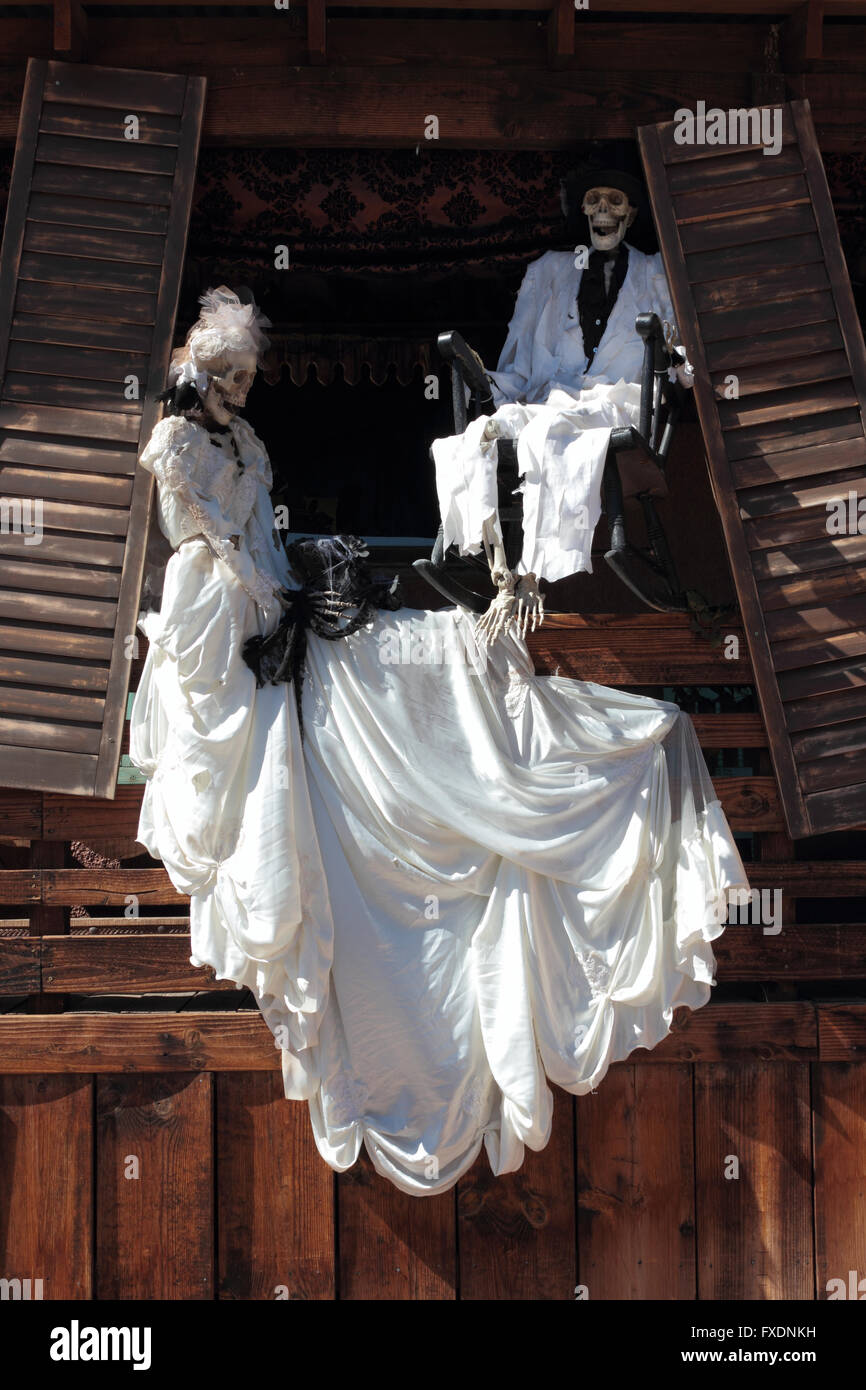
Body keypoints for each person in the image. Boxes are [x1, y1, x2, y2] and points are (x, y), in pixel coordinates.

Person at [131, 287, 747, 1198]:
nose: (243, 389)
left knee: (417, 659)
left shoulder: (249, 444)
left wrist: (293, 592)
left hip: (274, 603)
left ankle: (507, 758)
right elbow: (207, 544)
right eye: (232, 375)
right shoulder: (178, 444)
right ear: (203, 374)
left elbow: (262, 535)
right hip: (222, 617)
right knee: (325, 707)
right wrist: (262, 605)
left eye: (250, 375)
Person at [432, 168, 695, 640]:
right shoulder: (550, 270)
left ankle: (532, 572)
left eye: (614, 202)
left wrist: (677, 355)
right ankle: (501, 573)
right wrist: (482, 377)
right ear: (583, 211)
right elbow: (517, 363)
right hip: (557, 396)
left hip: (619, 400)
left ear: (631, 214)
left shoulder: (655, 271)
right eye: (594, 200)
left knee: (549, 428)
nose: (603, 212)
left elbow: (679, 358)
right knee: (486, 432)